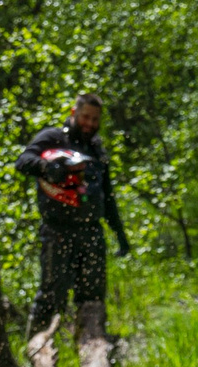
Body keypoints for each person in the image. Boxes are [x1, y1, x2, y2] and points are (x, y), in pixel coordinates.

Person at [15, 93, 131, 350]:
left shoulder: (96, 149)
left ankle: (92, 347)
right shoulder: (53, 138)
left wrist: (120, 234)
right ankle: (36, 349)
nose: (89, 124)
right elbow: (23, 162)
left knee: (92, 295)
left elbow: (107, 196)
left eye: (95, 119)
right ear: (74, 113)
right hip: (57, 230)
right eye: (85, 117)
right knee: (51, 294)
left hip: (91, 232)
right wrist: (48, 168)